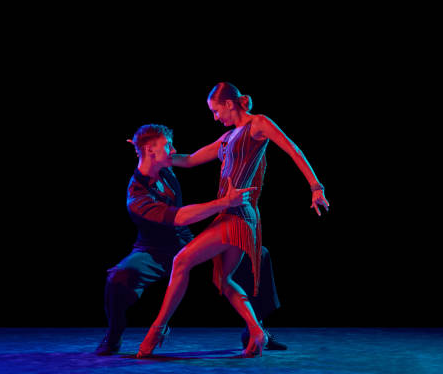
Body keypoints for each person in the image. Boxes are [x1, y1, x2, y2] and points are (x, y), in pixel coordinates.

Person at [136, 82, 329, 358]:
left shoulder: (258, 124)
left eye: (216, 110)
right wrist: (150, 154)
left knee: (182, 261)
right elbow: (189, 160)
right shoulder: (228, 137)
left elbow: (292, 149)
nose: (215, 117)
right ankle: (257, 331)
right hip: (230, 214)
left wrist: (315, 186)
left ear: (229, 104)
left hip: (238, 214)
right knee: (224, 281)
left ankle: (156, 330)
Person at [96, 124, 286, 356]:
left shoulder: (165, 169)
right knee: (118, 276)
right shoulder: (137, 195)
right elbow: (181, 217)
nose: (174, 149)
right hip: (154, 251)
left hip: (184, 241)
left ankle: (256, 330)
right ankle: (114, 335)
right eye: (167, 145)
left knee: (258, 253)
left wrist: (237, 136)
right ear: (150, 150)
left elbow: (193, 158)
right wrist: (225, 202)